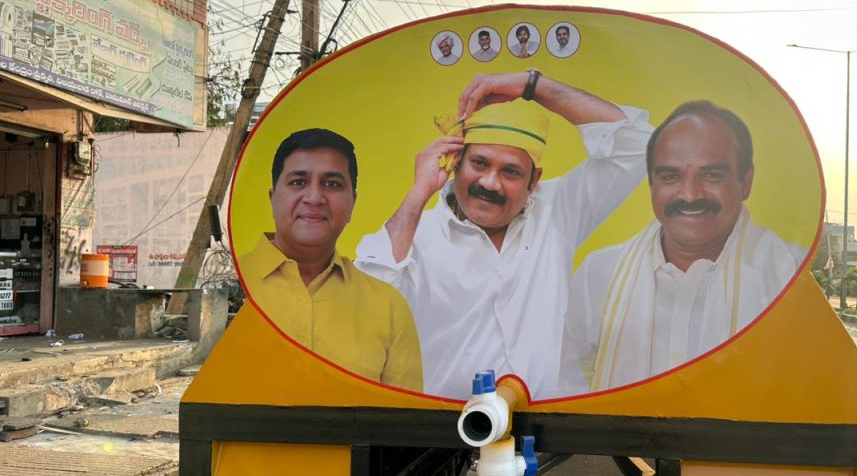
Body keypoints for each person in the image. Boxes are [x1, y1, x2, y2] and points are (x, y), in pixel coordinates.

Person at [355, 72, 652, 400]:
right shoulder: (414, 235)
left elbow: (638, 144)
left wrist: (533, 85)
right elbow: (365, 306)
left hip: (548, 427)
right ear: (456, 163)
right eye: (479, 164)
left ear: (533, 181)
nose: (490, 183)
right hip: (448, 426)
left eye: (510, 171)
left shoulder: (556, 213)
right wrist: (418, 192)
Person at [560, 100, 808, 394]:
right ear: (652, 185)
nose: (690, 195)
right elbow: (565, 378)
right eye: (670, 176)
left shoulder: (791, 275)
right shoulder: (600, 273)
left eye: (711, 175)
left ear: (745, 181)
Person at [237, 128, 423, 390]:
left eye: (332, 184)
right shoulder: (235, 288)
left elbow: (405, 412)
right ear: (272, 198)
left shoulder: (388, 307)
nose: (314, 198)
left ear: (352, 203)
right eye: (298, 182)